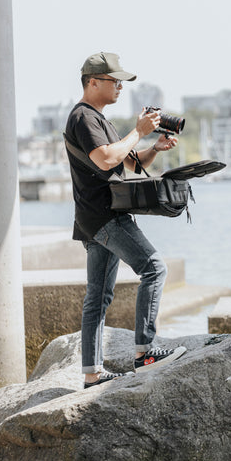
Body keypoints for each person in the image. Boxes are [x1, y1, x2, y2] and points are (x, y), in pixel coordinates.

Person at [65, 52, 186, 388]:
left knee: (98, 296)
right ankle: (145, 352)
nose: (120, 86)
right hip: (106, 215)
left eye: (121, 81)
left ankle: (92, 372)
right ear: (93, 82)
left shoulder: (98, 119)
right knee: (154, 268)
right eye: (114, 80)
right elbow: (105, 160)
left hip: (92, 217)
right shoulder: (83, 118)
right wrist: (137, 131)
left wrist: (154, 146)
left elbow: (129, 163)